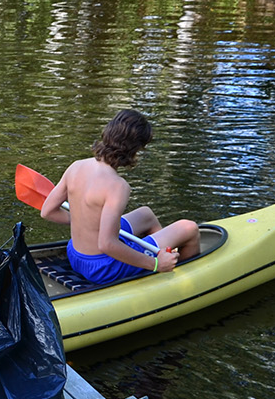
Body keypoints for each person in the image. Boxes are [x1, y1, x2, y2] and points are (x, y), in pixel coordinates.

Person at [40, 109, 199, 284]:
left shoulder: (76, 166)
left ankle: (165, 254)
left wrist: (83, 220)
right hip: (103, 268)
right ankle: (169, 273)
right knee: (189, 228)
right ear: (134, 150)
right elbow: (107, 244)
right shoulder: (117, 186)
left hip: (76, 255)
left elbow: (47, 212)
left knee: (146, 214)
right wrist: (155, 264)